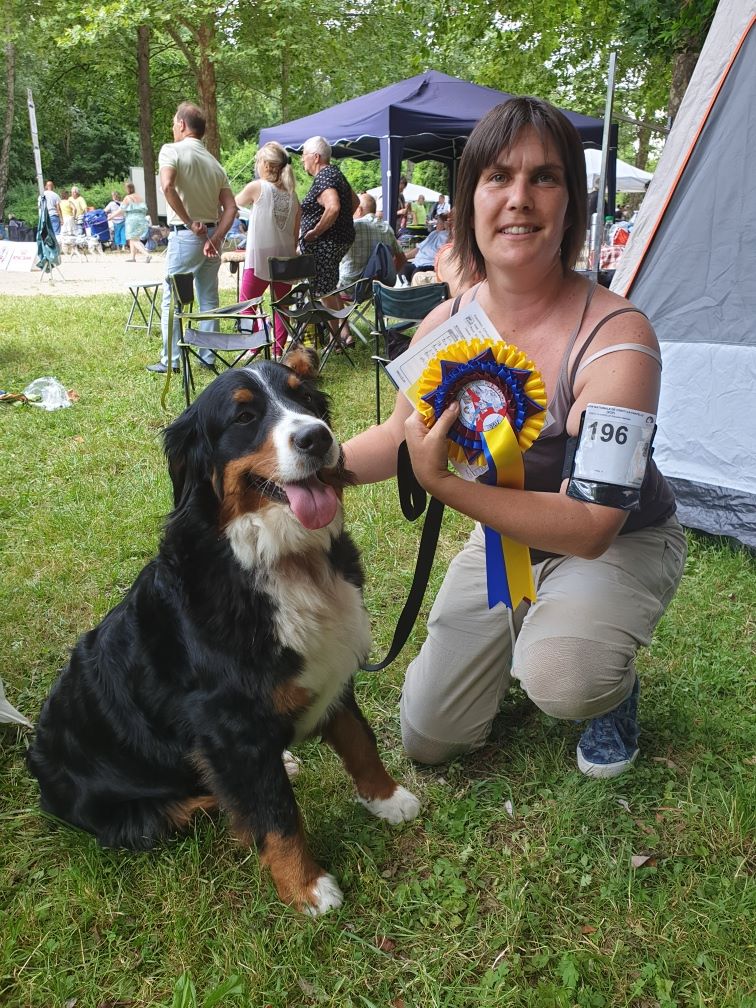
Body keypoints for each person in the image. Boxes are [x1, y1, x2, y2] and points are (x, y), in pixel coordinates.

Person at [343, 97, 686, 779]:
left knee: (563, 675)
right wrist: (304, 471)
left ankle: (606, 693)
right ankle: (535, 632)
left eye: (544, 178)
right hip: (506, 537)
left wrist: (441, 482)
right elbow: (395, 435)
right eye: (498, 177)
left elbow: (590, 525)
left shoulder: (619, 337)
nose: (519, 199)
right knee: (428, 738)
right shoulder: (447, 318)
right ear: (469, 199)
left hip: (620, 540)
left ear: (571, 205)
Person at [149, 101, 237, 374]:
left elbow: (167, 186)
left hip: (187, 235)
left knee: (173, 297)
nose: (173, 127)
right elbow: (231, 207)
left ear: (182, 125)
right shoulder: (214, 162)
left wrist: (188, 221)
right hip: (212, 235)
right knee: (209, 297)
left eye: (175, 122)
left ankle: (171, 360)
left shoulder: (171, 151)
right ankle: (207, 357)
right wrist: (217, 237)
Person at [235, 140, 300, 356]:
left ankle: (255, 345)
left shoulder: (257, 187)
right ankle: (278, 351)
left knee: (246, 304)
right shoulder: (293, 195)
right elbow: (295, 232)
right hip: (285, 260)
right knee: (281, 307)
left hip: (260, 257)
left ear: (265, 164)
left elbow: (233, 203)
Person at [299, 136, 358, 311]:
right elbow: (355, 202)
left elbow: (333, 207)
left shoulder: (324, 176)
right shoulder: (336, 173)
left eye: (304, 155)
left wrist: (316, 232)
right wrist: (341, 223)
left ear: (316, 157)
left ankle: (338, 336)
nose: (302, 159)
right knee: (329, 288)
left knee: (323, 291)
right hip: (339, 239)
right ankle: (344, 336)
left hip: (326, 243)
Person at [338, 192, 406, 289]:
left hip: (350, 287)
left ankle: (336, 305)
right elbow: (402, 259)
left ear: (359, 210)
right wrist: (388, 278)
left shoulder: (352, 227)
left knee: (321, 285)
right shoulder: (387, 228)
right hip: (377, 288)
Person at [398, 212, 450, 284]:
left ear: (445, 224)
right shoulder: (433, 233)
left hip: (430, 265)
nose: (436, 224)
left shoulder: (449, 236)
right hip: (417, 263)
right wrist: (403, 256)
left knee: (417, 275)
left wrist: (449, 229)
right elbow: (419, 248)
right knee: (403, 270)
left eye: (438, 222)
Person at [120, 182, 151, 263]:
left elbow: (121, 209)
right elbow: (145, 209)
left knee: (133, 239)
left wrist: (111, 216)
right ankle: (132, 257)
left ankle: (147, 255)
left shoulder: (127, 198)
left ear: (128, 189)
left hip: (132, 220)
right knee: (135, 238)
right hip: (141, 220)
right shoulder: (140, 197)